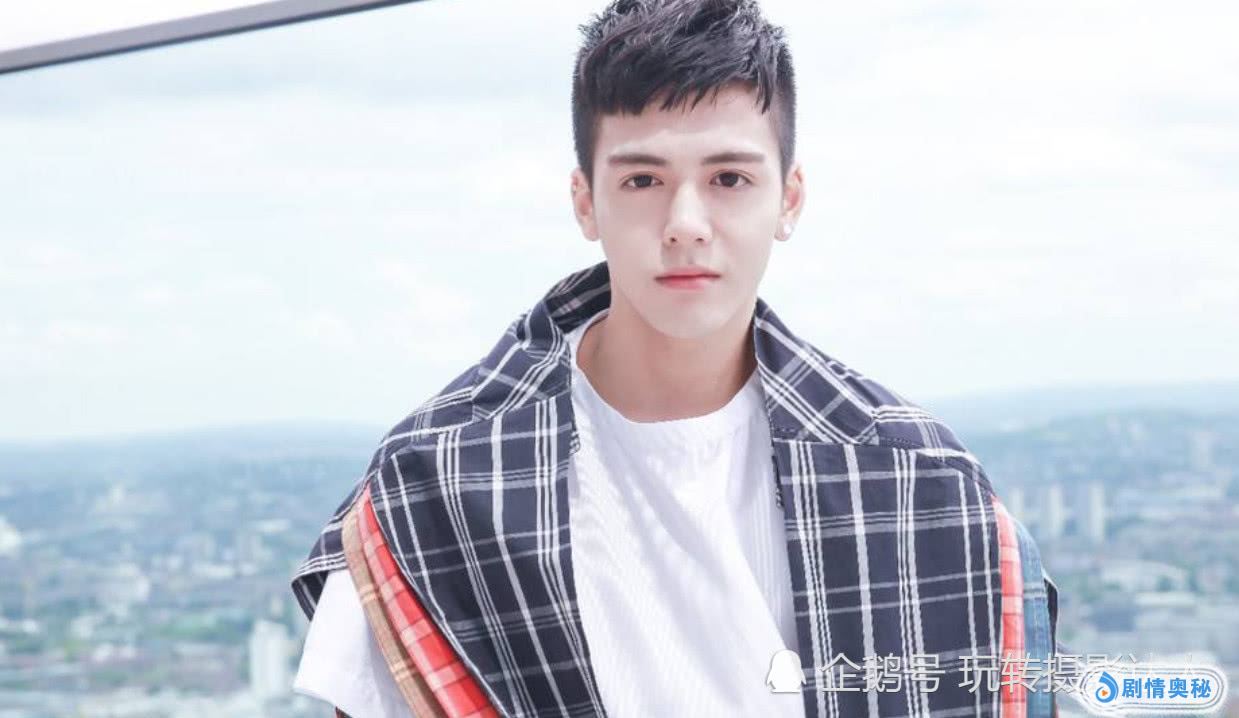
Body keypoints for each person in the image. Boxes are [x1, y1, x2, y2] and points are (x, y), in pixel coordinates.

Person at [290, 0, 1060, 716]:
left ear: (788, 198)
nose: (685, 222)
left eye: (728, 178)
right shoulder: (436, 480)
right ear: (585, 202)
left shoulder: (917, 478)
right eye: (642, 179)